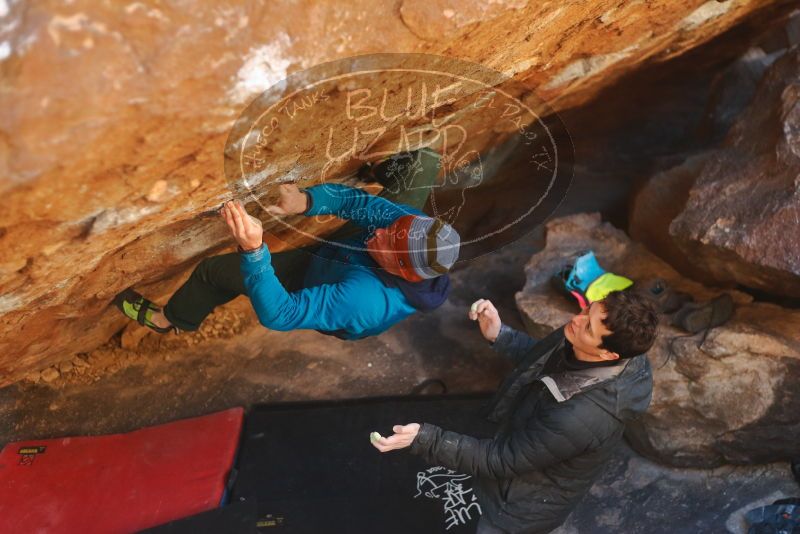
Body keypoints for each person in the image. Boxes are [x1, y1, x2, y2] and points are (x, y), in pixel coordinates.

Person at [371, 289, 659, 533]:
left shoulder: (580, 417)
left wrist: (425, 438)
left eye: (588, 327)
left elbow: (502, 460)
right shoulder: (591, 343)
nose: (576, 319)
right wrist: (501, 335)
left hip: (520, 505)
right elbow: (544, 361)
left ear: (608, 355)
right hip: (524, 450)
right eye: (588, 310)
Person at [114, 148, 460, 340]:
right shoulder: (407, 231)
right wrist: (306, 202)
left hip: (317, 278)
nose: (381, 231)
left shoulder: (362, 299)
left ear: (403, 270)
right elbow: (360, 207)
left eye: (389, 240)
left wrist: (254, 252)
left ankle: (172, 320)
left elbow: (281, 315)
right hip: (352, 255)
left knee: (213, 272)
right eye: (394, 226)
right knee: (423, 163)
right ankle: (376, 170)